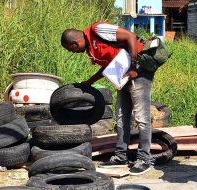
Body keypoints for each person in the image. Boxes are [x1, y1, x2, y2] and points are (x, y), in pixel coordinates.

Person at [61, 22, 153, 175]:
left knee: (141, 116)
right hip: (123, 76)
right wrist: (89, 82)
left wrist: (133, 67)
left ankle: (144, 159)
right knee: (122, 115)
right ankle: (121, 156)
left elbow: (130, 36)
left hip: (138, 70)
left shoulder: (98, 29)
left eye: (71, 49)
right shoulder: (91, 48)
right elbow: (110, 63)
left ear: (75, 43)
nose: (73, 52)